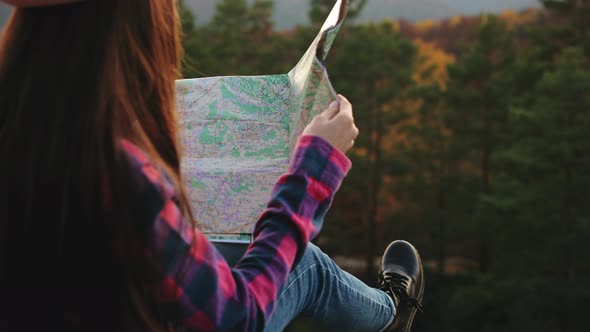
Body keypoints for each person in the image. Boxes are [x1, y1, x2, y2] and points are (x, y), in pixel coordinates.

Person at [0, 0, 424, 331]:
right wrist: (311, 171)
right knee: (305, 265)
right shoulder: (117, 173)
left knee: (239, 249)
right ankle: (392, 315)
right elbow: (238, 319)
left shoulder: (37, 130)